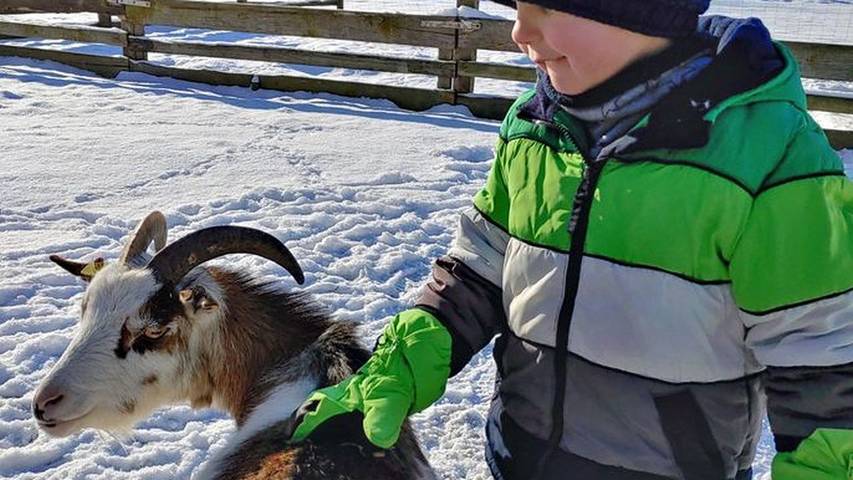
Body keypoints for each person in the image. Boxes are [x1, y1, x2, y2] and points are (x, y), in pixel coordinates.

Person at [290, 1, 853, 479]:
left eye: (547, 6)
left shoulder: (768, 158)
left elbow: (821, 351)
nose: (519, 31)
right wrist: (400, 365)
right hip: (521, 452)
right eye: (515, 5)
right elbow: (480, 266)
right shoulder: (536, 126)